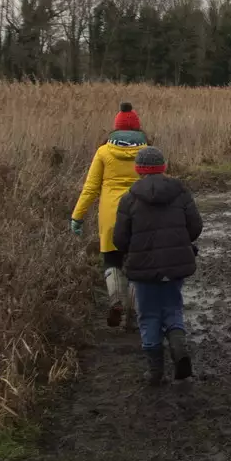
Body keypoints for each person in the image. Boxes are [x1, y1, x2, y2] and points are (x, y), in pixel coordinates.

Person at [112, 146, 202, 385]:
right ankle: (179, 347)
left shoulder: (128, 199)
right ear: (163, 167)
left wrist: (133, 250)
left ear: (139, 169)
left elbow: (119, 240)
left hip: (143, 269)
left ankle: (154, 372)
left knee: (149, 315)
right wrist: (181, 242)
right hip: (175, 266)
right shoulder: (181, 192)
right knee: (173, 308)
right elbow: (195, 227)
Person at [70, 102, 148, 328]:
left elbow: (91, 188)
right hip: (140, 212)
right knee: (137, 263)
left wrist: (78, 216)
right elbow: (158, 183)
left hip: (111, 214)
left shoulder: (103, 152)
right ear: (137, 129)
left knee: (112, 260)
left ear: (115, 128)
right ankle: (133, 311)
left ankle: (116, 300)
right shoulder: (147, 152)